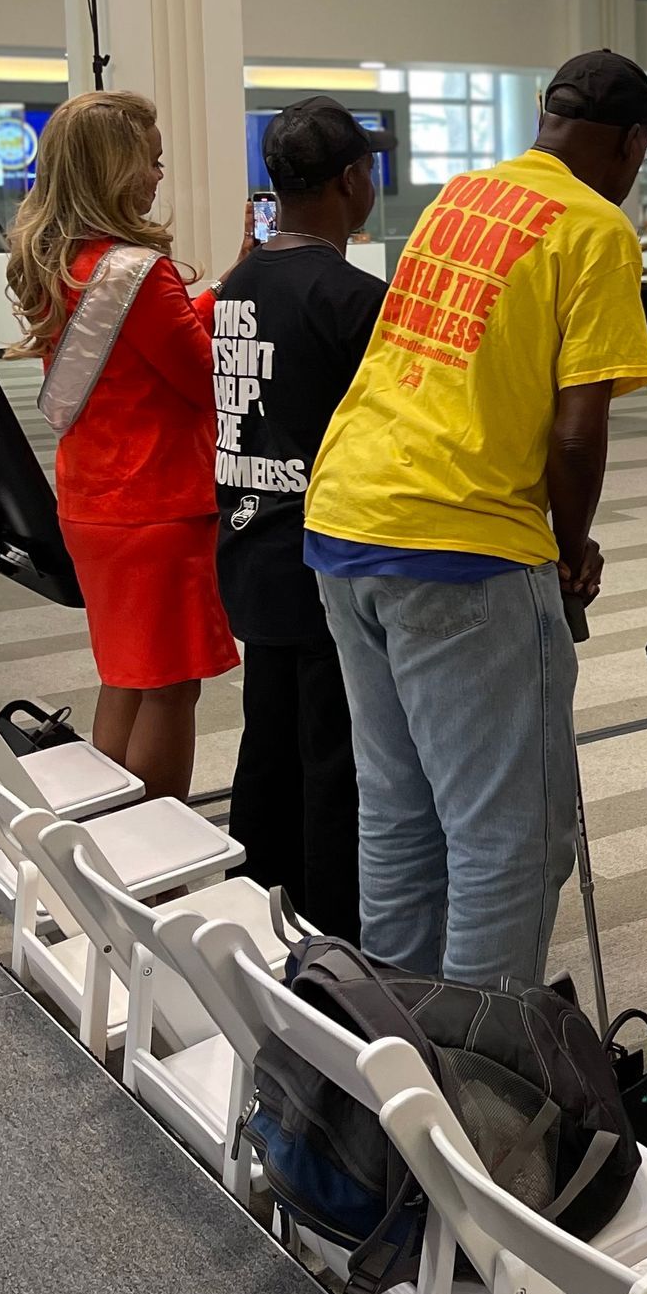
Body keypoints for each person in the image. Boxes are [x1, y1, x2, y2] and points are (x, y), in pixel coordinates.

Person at [305, 50, 647, 988]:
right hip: (461, 543)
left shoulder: (461, 196)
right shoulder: (594, 228)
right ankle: (479, 1080)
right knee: (509, 837)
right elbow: (580, 431)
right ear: (630, 143)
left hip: (347, 518)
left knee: (398, 810)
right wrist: (571, 546)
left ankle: (395, 1054)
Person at [4, 90, 236, 799]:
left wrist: (217, 293)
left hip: (93, 502)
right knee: (171, 690)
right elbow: (204, 380)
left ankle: (112, 850)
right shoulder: (137, 271)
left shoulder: (62, 261)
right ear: (116, 169)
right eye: (152, 161)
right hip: (158, 505)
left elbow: (140, 347)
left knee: (127, 678)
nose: (159, 176)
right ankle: (159, 867)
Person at [212, 100, 391, 940]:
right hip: (325, 556)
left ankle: (256, 901)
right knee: (334, 759)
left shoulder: (238, 282)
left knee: (269, 741)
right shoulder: (355, 299)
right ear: (355, 180)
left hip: (248, 545)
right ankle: (332, 937)